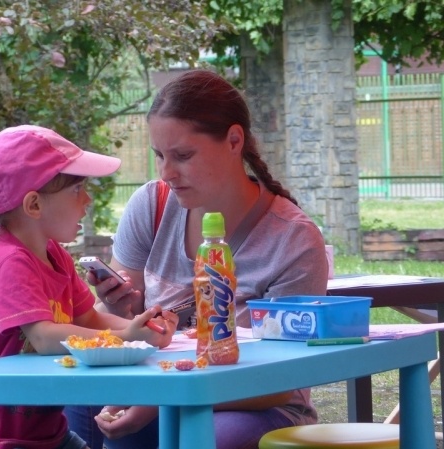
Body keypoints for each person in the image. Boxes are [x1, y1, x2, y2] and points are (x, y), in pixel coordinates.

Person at [64, 70, 329, 449]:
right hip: (156, 388)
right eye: (159, 156)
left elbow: (281, 382)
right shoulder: (151, 206)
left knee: (207, 438)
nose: (167, 173)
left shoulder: (293, 239)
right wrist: (124, 308)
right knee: (71, 409)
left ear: (234, 140)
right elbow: (130, 335)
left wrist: (162, 400)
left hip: (249, 405)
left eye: (183, 156)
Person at [0, 125, 178, 449]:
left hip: (46, 435)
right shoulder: (12, 261)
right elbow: (44, 336)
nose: (88, 199)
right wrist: (126, 339)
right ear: (34, 205)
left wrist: (145, 328)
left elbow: (91, 320)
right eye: (76, 190)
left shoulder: (55, 254)